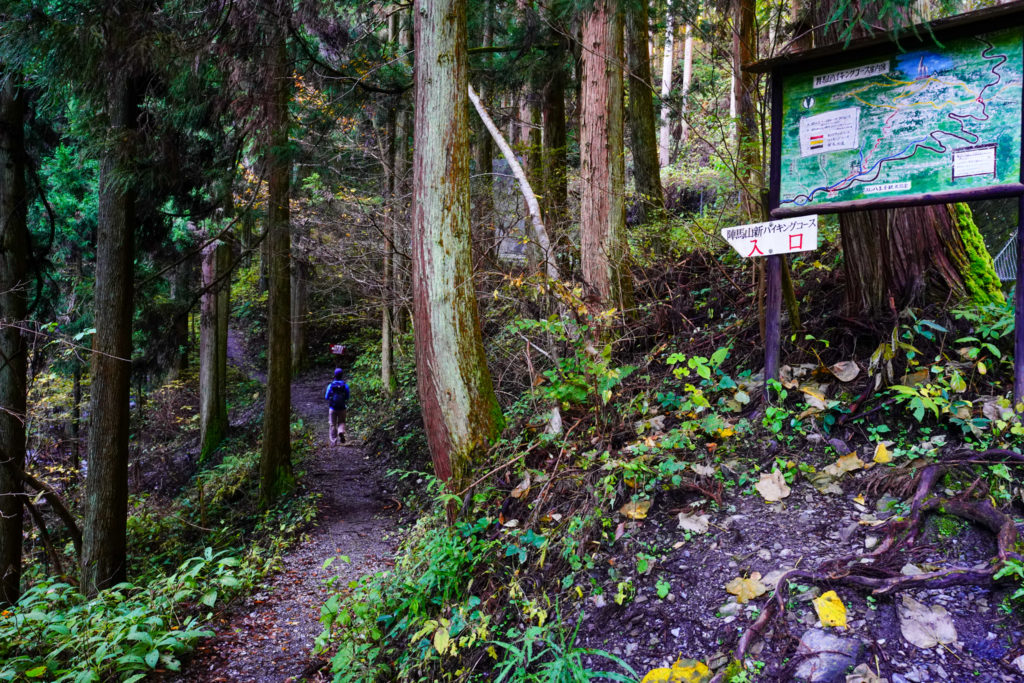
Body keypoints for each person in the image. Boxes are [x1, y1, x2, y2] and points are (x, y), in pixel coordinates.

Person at [324, 368, 350, 445]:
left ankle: (333, 441)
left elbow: (326, 397)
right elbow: (347, 397)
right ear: (342, 375)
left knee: (332, 424)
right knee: (342, 421)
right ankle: (341, 432)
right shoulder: (345, 386)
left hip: (332, 408)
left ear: (334, 375)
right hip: (342, 408)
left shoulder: (330, 385)